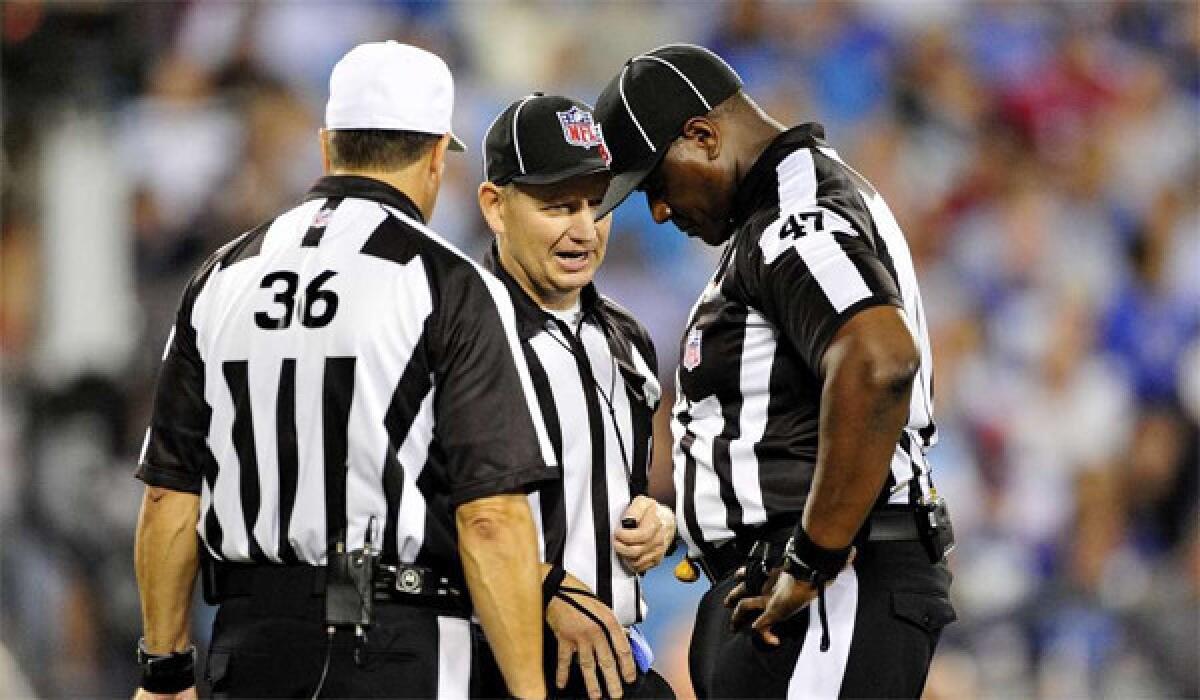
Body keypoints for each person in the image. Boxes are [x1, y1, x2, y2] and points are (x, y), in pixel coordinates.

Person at [132, 41, 554, 700]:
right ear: (438, 156)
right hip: (394, 644)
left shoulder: (221, 274)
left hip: (250, 645)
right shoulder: (448, 282)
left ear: (328, 146)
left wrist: (164, 671)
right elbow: (491, 518)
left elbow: (168, 496)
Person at [592, 44, 957, 698]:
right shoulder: (779, 212)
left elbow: (880, 359)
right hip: (795, 587)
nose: (659, 212)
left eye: (655, 183)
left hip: (830, 587)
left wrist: (813, 556)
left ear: (703, 137)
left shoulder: (793, 208)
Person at [472, 94, 676, 700]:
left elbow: (623, 487)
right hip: (494, 665)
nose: (584, 229)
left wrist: (657, 521)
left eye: (598, 202)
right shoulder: (454, 333)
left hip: (610, 662)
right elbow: (412, 513)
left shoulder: (627, 337)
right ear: (496, 206)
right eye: (558, 205)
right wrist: (538, 584)